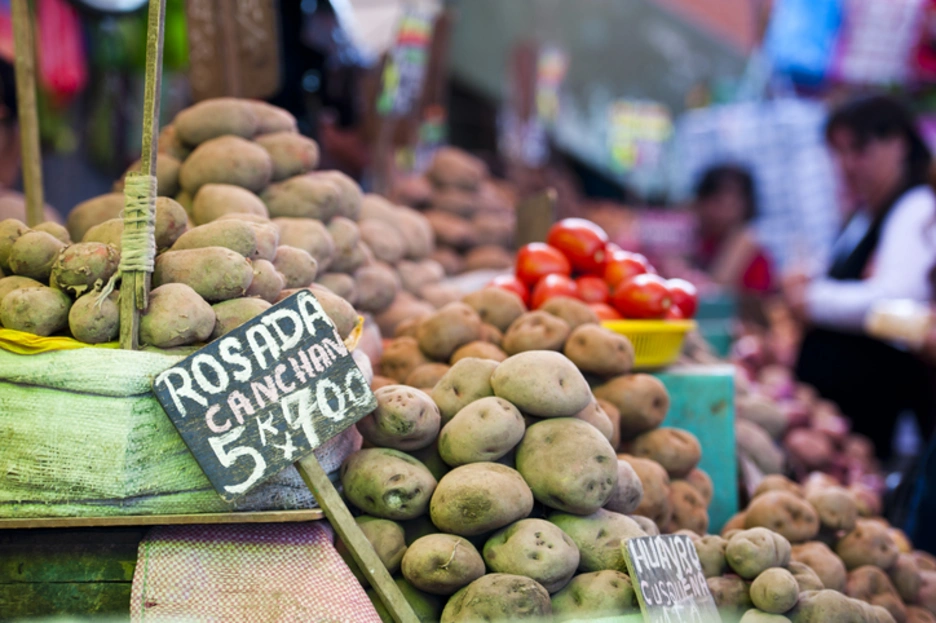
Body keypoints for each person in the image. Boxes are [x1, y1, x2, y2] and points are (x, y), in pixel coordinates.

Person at [786, 95, 936, 461]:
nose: (848, 165)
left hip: (876, 416)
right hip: (844, 418)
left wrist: (813, 299)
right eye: (839, 153)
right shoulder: (867, 213)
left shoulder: (915, 208)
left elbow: (895, 303)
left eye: (859, 149)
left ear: (898, 143)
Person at [692, 165, 774, 294]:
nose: (723, 213)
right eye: (717, 202)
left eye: (731, 205)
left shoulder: (754, 252)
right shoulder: (699, 243)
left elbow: (716, 292)